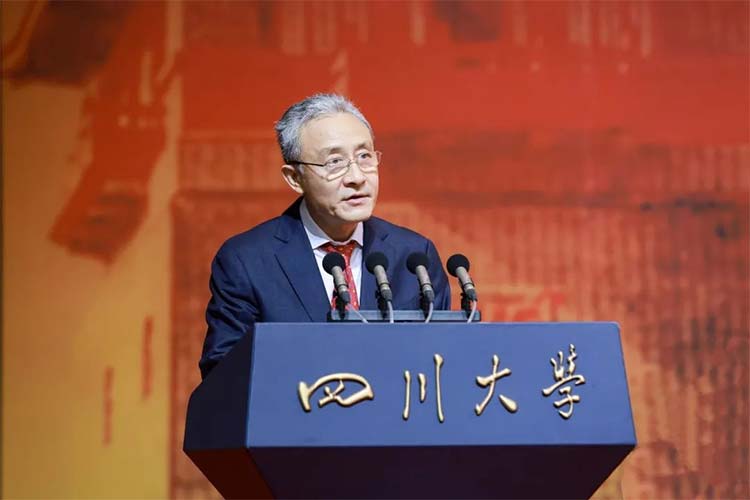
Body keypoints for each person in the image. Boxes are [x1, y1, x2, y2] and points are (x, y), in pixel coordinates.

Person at [199, 93, 451, 378]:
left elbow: (443, 364)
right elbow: (223, 376)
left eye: (365, 156)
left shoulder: (414, 258)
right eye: (334, 162)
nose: (357, 177)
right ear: (295, 178)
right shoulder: (247, 261)